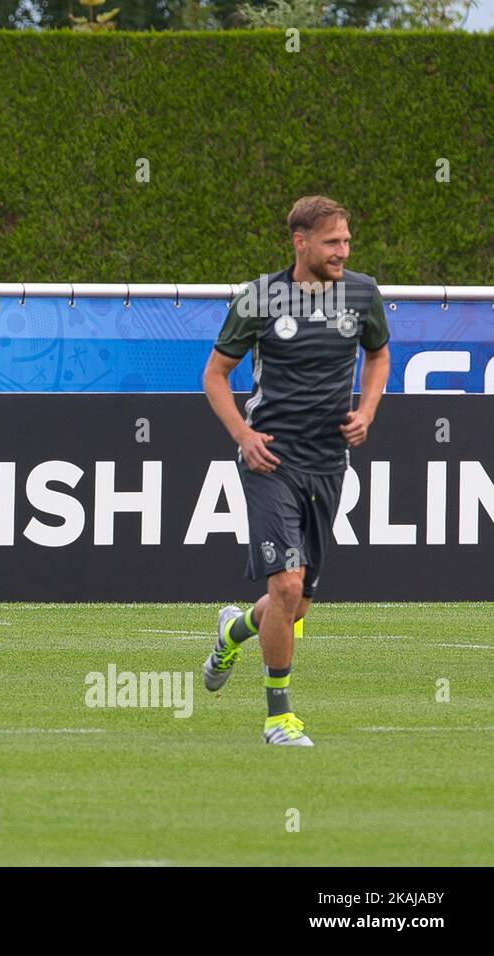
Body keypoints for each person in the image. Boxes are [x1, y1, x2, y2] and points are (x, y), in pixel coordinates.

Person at [201, 195, 390, 745]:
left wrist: (367, 411)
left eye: (348, 241)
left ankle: (233, 630)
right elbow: (215, 375)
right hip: (271, 460)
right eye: (333, 242)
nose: (343, 251)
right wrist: (243, 435)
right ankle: (279, 717)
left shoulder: (362, 292)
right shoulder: (260, 297)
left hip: (328, 464)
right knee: (284, 585)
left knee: (298, 600)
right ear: (300, 241)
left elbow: (378, 355)